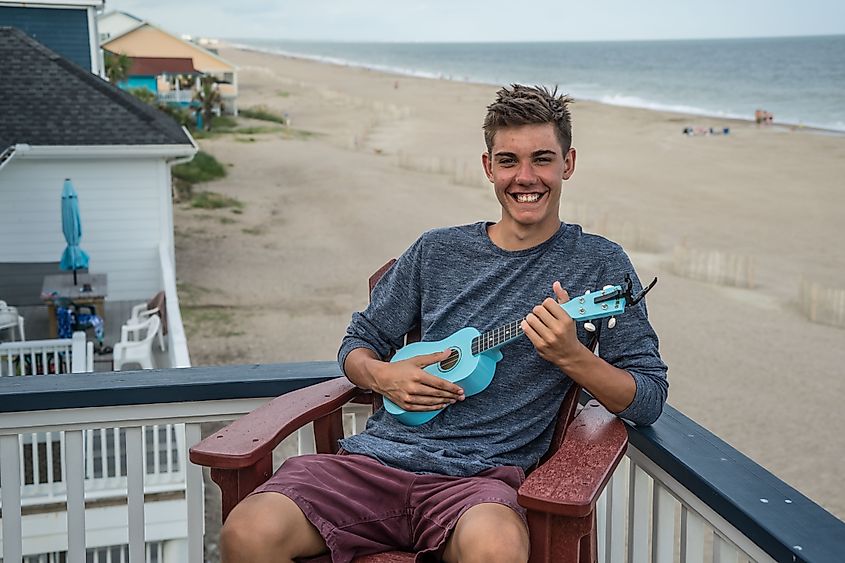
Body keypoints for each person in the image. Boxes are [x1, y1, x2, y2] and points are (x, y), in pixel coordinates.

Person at [219, 84, 668, 563]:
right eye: (508, 161)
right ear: (488, 167)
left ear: (568, 164)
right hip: (374, 463)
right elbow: (359, 341)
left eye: (542, 159)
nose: (525, 177)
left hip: (481, 484)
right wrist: (383, 375)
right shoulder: (437, 251)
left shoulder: (599, 265)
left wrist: (572, 357)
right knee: (247, 532)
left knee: (495, 550)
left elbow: (647, 397)